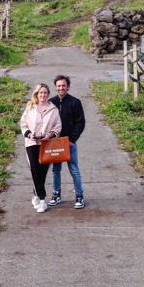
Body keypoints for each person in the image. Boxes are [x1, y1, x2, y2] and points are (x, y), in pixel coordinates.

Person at [19, 83, 62, 213]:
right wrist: (29, 134)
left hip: (46, 144)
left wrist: (50, 134)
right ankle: (42, 200)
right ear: (36, 94)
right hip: (32, 144)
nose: (42, 95)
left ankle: (36, 195)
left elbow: (58, 127)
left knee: (42, 172)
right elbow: (23, 123)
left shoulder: (54, 110)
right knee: (35, 170)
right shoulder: (30, 108)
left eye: (45, 93)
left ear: (48, 94)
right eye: (40, 93)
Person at [48, 75, 86, 209]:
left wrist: (72, 139)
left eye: (63, 85)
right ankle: (56, 194)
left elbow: (80, 122)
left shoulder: (75, 102)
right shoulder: (51, 102)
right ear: (55, 87)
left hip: (69, 143)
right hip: (55, 143)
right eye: (58, 86)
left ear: (68, 86)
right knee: (56, 170)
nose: (61, 88)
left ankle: (79, 196)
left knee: (74, 169)